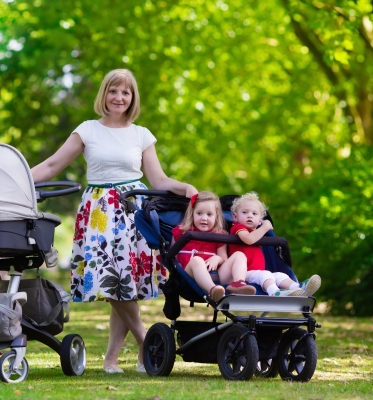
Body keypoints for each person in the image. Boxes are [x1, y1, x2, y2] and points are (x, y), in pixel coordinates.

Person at [30, 69, 197, 374]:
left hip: (135, 210)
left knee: (125, 287)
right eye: (113, 91)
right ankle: (147, 344)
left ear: (133, 98)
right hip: (99, 213)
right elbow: (53, 164)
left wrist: (185, 187)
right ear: (104, 95)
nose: (119, 97)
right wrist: (20, 177)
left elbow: (158, 178)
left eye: (126, 92)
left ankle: (111, 360)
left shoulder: (141, 134)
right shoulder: (87, 130)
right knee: (110, 282)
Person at [229, 192, 321, 297]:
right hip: (242, 275)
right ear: (235, 217)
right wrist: (266, 226)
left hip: (258, 273)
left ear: (260, 220)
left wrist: (263, 228)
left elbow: (254, 236)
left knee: (280, 275)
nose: (250, 215)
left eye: (254, 214)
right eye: (245, 212)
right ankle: (274, 292)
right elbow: (248, 239)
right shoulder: (237, 227)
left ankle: (299, 289)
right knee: (266, 275)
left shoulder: (257, 233)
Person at [172, 191, 256, 302]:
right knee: (197, 260)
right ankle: (213, 291)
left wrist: (217, 258)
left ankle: (238, 283)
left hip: (215, 274)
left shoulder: (219, 235)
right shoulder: (181, 232)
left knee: (239, 255)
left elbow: (223, 257)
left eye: (209, 214)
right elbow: (173, 257)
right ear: (192, 213)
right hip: (190, 276)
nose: (204, 218)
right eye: (199, 213)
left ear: (216, 216)